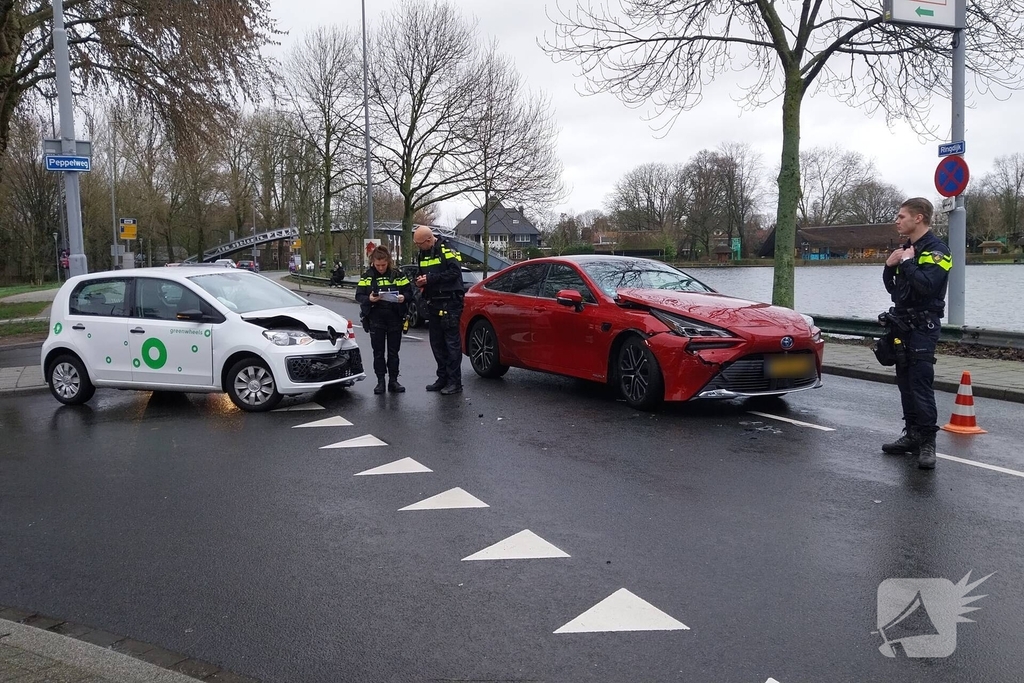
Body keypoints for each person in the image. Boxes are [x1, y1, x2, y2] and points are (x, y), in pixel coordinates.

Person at [881, 197, 952, 470]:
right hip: (902, 324)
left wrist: (908, 263)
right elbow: (894, 290)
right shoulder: (906, 249)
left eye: (901, 216)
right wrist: (889, 266)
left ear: (918, 217)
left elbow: (927, 286)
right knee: (905, 382)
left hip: (924, 326)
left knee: (921, 383)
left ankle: (927, 443)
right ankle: (910, 435)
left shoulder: (937, 251)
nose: (897, 221)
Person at [413, 225, 465, 395]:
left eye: (419, 243)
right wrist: (420, 281)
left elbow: (454, 272)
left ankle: (454, 382)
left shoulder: (447, 249)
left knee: (451, 344)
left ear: (429, 240)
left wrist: (430, 279)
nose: (418, 247)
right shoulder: (422, 253)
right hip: (433, 302)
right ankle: (442, 378)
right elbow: (422, 274)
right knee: (437, 343)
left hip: (450, 302)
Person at [355, 246, 413, 394]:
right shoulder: (367, 276)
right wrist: (369, 298)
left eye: (383, 265)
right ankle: (380, 381)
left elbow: (409, 292)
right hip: (376, 319)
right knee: (378, 352)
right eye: (377, 265)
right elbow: (358, 296)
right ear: (372, 262)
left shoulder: (398, 275)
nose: (380, 268)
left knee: (394, 352)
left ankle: (393, 381)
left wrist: (403, 298)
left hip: (395, 317)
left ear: (388, 262)